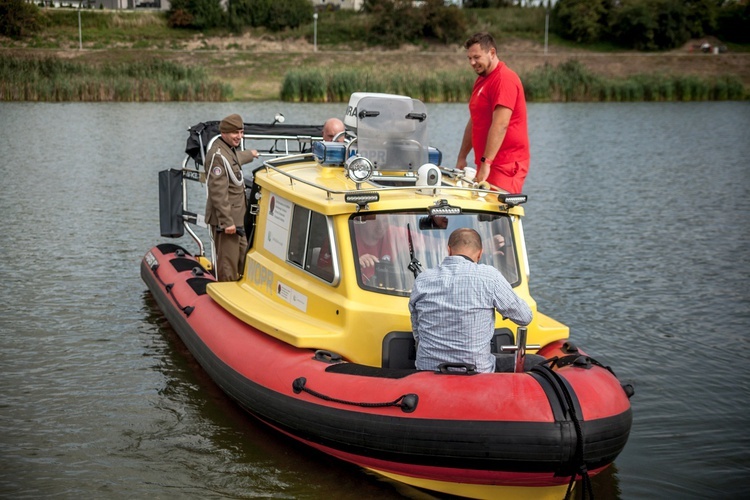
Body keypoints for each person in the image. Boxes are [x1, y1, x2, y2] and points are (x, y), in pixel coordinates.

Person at [409, 228, 533, 373]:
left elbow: (417, 332)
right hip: (476, 371)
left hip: (428, 370)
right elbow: (525, 317)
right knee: (537, 362)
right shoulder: (490, 277)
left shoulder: (422, 279)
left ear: (448, 250)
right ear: (480, 253)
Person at [456, 32, 530, 194]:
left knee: (498, 215)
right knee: (481, 217)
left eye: (476, 57)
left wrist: (486, 163)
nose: (472, 62)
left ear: (492, 53)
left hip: (505, 165)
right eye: (469, 58)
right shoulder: (482, 79)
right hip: (487, 163)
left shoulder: (504, 79)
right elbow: (475, 120)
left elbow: (501, 124)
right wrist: (462, 156)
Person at [204, 113, 259, 281]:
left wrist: (251, 154)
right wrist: (227, 222)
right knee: (228, 263)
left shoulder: (228, 151)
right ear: (224, 133)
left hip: (238, 219)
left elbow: (235, 159)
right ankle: (225, 294)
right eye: (236, 133)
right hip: (227, 221)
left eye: (242, 132)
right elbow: (218, 193)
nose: (239, 137)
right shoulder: (217, 156)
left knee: (243, 256)